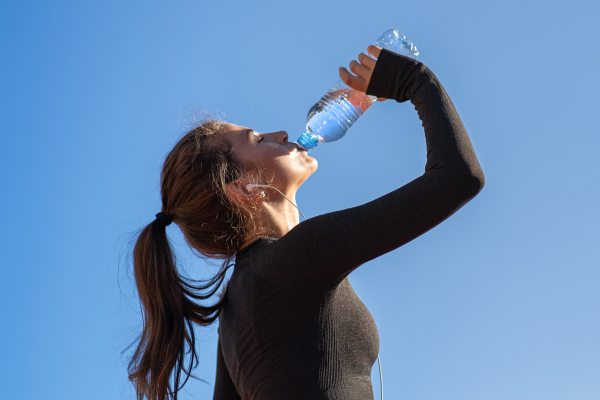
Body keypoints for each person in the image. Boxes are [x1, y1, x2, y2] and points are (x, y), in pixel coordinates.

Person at [128, 44, 485, 400]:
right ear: (243, 187)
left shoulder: (235, 312)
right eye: (258, 139)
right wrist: (415, 80)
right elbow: (458, 178)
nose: (280, 133)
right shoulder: (293, 259)